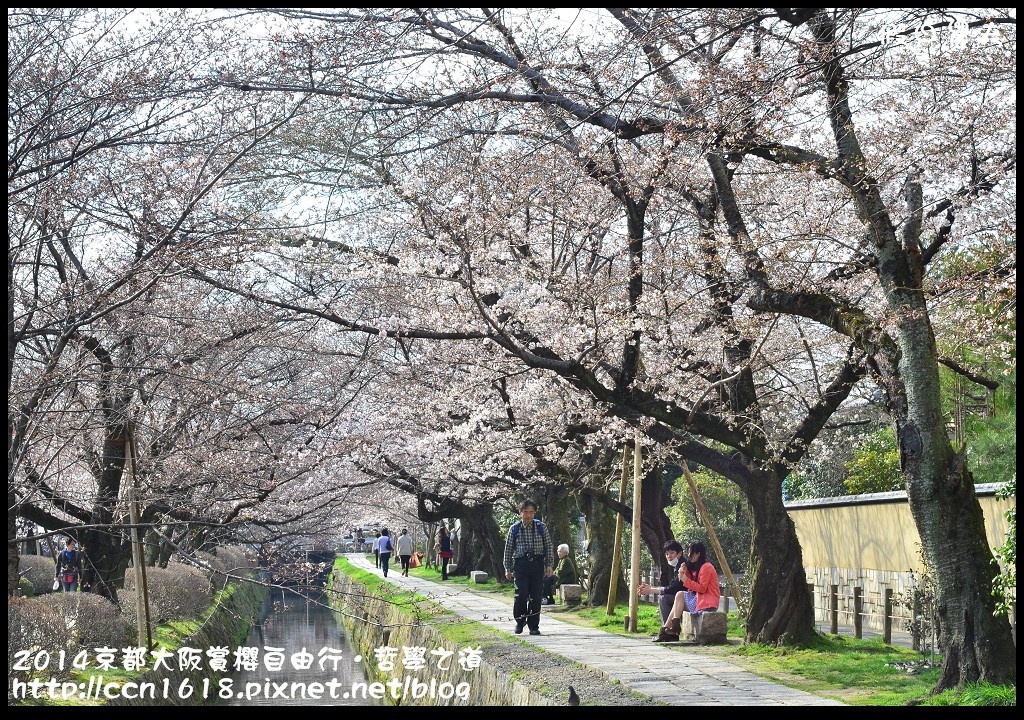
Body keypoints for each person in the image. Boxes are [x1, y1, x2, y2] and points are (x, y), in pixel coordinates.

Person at [641, 541, 720, 642]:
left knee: (676, 596)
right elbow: (692, 585)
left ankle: (667, 630)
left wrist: (684, 579)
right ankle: (669, 628)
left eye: (691, 554)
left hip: (708, 603)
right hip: (700, 600)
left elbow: (702, 588)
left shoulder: (706, 567)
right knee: (679, 595)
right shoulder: (696, 566)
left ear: (698, 554)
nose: (689, 557)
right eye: (666, 554)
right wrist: (686, 572)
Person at [502, 499, 554, 635]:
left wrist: (549, 565)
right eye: (525, 512)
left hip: (537, 565)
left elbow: (548, 547)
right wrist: (507, 568)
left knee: (536, 596)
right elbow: (508, 550)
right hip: (521, 566)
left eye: (531, 512)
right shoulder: (514, 529)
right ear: (520, 513)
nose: (528, 515)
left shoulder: (541, 527)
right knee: (521, 594)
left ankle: (534, 626)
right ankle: (519, 621)